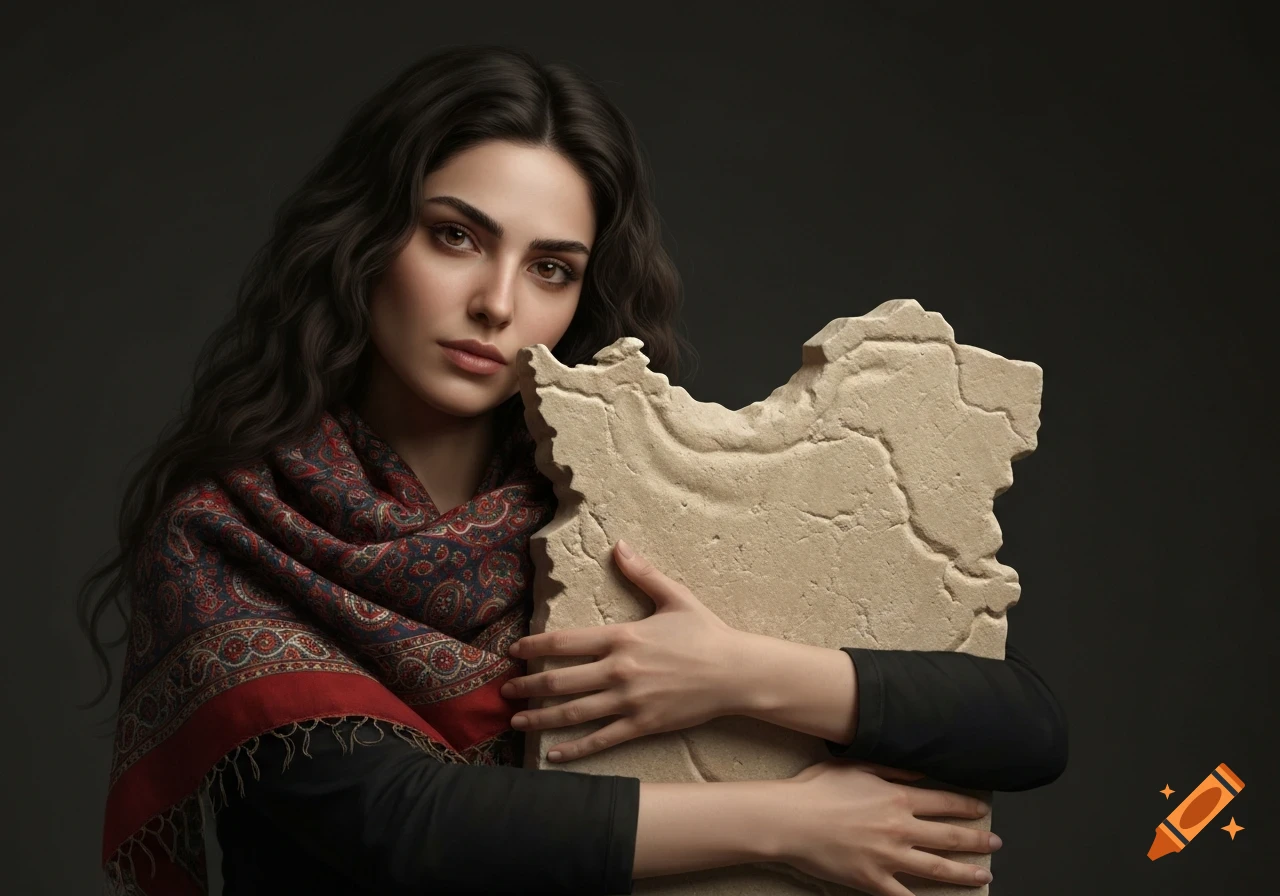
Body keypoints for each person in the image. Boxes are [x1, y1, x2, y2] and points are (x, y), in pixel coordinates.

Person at [77, 44, 1067, 896]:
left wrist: (736, 673)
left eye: (549, 267)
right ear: (366, 240)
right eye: (455, 236)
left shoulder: (617, 511)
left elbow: (1019, 727)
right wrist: (792, 822)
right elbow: (400, 824)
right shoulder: (227, 536)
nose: (496, 303)